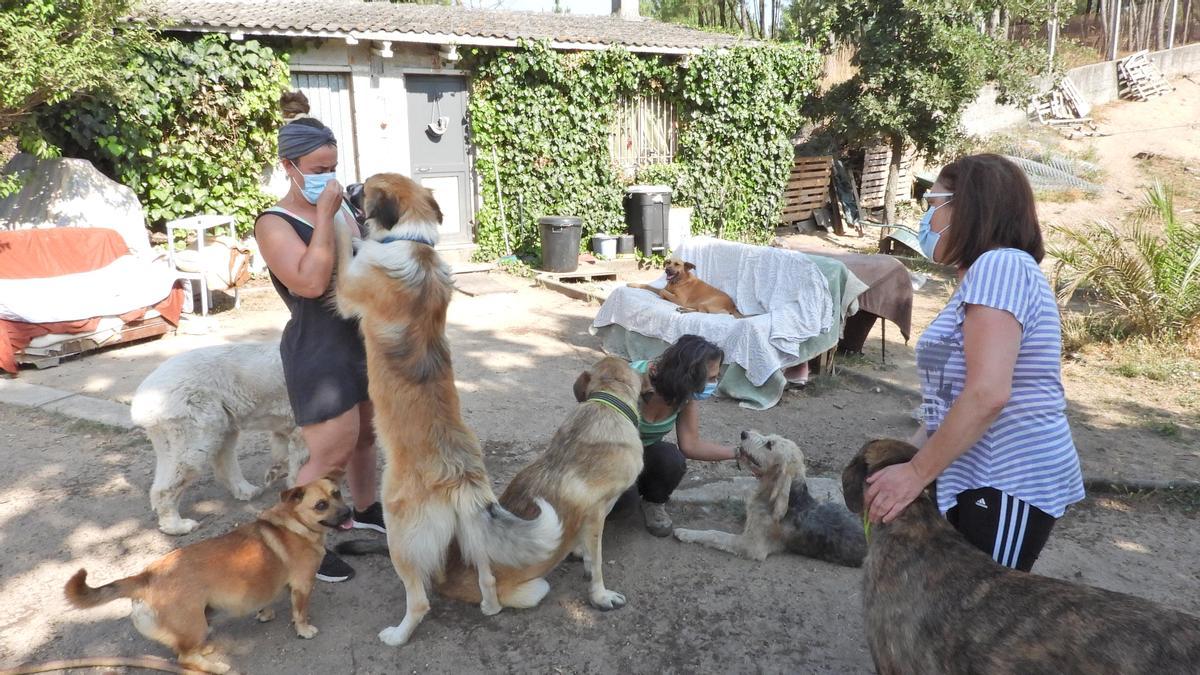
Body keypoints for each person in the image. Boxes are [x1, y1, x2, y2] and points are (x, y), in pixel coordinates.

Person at [864, 153, 1084, 572]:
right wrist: (903, 454)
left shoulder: (1001, 266)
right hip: (974, 473)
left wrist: (914, 473)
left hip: (1008, 477)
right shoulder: (983, 275)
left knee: (981, 620)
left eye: (933, 204)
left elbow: (988, 393)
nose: (927, 219)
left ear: (968, 207)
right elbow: (952, 397)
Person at [254, 97, 384, 583]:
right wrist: (327, 214)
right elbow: (308, 282)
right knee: (329, 454)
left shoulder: (345, 208)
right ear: (289, 167)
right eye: (316, 168)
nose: (326, 176)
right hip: (318, 350)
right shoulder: (274, 223)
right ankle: (297, 540)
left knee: (367, 436)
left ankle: (367, 509)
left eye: (332, 167)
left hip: (360, 340)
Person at [631, 334, 739, 536]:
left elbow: (691, 445)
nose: (714, 384)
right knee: (622, 504)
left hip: (639, 453)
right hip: (609, 452)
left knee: (671, 459)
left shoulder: (684, 396)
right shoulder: (630, 379)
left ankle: (653, 503)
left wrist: (740, 453)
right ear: (688, 374)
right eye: (711, 378)